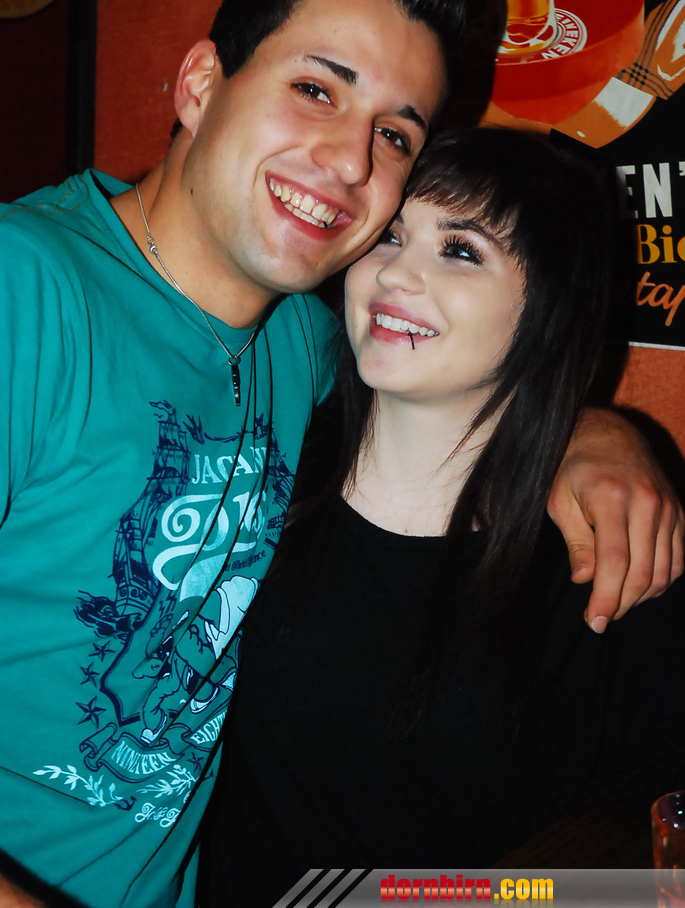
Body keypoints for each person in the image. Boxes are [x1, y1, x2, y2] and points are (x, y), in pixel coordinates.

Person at [0, 0, 681, 908]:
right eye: (316, 89)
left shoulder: (302, 346)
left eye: (395, 134)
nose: (349, 159)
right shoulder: (25, 293)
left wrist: (595, 433)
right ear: (200, 84)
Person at [202, 128, 685, 907]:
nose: (394, 271)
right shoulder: (251, 463)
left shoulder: (606, 562)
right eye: (389, 235)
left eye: (460, 250)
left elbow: (637, 862)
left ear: (549, 311)